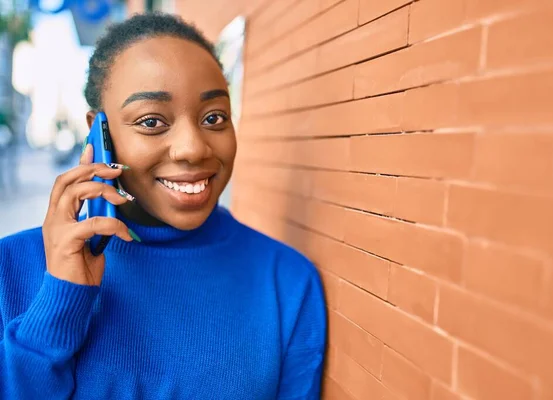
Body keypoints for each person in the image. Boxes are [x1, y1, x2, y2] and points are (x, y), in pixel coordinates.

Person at [0, 13, 326, 399]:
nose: (192, 148)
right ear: (98, 132)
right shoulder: (11, 270)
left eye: (214, 117)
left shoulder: (286, 282)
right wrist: (59, 301)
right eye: (152, 121)